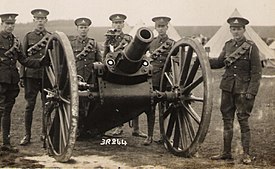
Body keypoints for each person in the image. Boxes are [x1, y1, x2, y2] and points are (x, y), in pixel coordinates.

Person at [209, 16, 262, 164]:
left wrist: (252, 92)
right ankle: (226, 153)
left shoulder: (251, 47)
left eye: (238, 29)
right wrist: (204, 60)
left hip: (243, 91)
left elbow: (256, 72)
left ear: (244, 30)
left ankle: (246, 154)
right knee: (227, 121)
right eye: (233, 29)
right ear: (230, 30)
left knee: (243, 121)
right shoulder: (228, 46)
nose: (236, 31)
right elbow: (219, 62)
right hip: (227, 89)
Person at [0, 13, 45, 152]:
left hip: (11, 81)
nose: (10, 26)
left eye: (12, 24)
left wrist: (40, 62)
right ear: (2, 24)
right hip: (0, 80)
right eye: (7, 24)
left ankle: (6, 144)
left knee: (7, 111)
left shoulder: (15, 41)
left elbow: (24, 60)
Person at [103, 13, 147, 138]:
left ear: (123, 24)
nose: (118, 25)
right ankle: (118, 127)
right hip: (114, 72)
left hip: (127, 71)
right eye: (115, 23)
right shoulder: (109, 38)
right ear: (112, 24)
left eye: (120, 23)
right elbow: (105, 55)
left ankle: (136, 129)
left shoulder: (128, 38)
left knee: (136, 98)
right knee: (115, 100)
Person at [19, 9, 51, 146]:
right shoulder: (28, 36)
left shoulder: (51, 37)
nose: (40, 22)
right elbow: (22, 58)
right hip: (31, 76)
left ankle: (45, 134)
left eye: (42, 19)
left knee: (47, 106)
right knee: (29, 106)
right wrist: (22, 76)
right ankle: (27, 135)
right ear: (34, 21)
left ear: (46, 21)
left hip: (46, 76)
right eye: (37, 19)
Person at [69, 17, 102, 138]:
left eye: (85, 27)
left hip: (90, 79)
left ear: (88, 29)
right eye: (81, 27)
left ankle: (90, 129)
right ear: (77, 29)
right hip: (76, 78)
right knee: (78, 105)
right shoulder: (72, 43)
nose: (83, 30)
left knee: (92, 105)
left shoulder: (93, 43)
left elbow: (99, 61)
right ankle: (78, 130)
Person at [145, 16, 175, 145]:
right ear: (155, 28)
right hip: (154, 79)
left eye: (163, 26)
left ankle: (165, 136)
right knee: (150, 108)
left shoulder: (172, 43)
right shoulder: (151, 43)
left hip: (166, 79)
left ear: (167, 27)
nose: (161, 29)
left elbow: (176, 62)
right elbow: (142, 57)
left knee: (165, 109)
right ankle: (149, 136)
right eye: (159, 26)